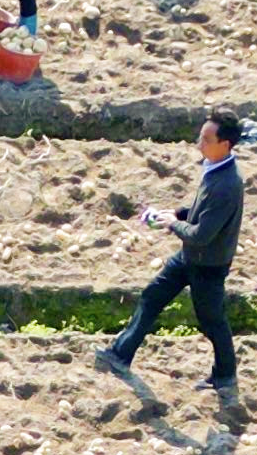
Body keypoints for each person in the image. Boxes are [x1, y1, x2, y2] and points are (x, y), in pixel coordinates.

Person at [99, 106, 244, 390]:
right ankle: (120, 353)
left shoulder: (227, 184)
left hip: (208, 265)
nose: (198, 144)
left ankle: (225, 375)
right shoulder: (216, 169)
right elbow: (202, 211)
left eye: (206, 140)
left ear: (224, 145)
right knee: (152, 296)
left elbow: (202, 234)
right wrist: (177, 213)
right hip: (191, 257)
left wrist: (170, 224)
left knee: (211, 321)